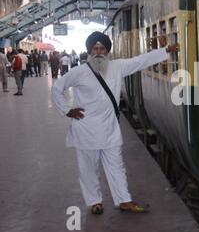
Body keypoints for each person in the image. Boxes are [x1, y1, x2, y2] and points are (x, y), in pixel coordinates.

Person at [52, 31, 178, 215]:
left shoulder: (117, 67)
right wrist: (67, 110)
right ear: (89, 51)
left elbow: (140, 61)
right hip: (86, 129)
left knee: (116, 166)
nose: (98, 52)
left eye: (102, 48)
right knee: (88, 169)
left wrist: (165, 50)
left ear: (107, 51)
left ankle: (124, 200)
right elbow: (57, 88)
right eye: (94, 48)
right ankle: (95, 201)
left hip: (110, 128)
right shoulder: (78, 72)